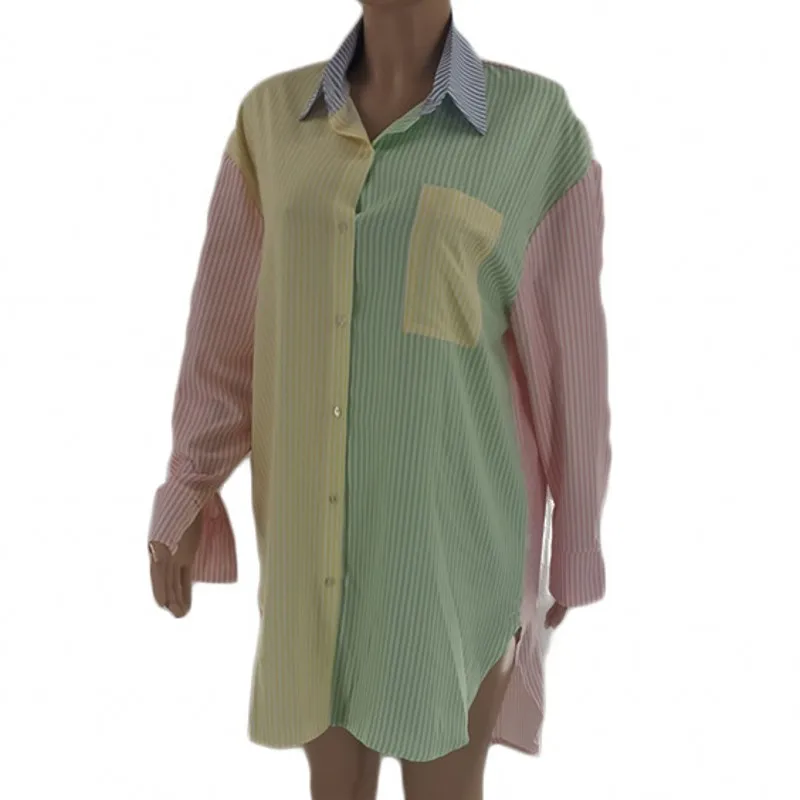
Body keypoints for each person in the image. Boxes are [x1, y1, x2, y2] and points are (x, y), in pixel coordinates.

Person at [146, 0, 611, 797]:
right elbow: (224, 339)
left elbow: (573, 363)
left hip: (451, 558)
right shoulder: (270, 122)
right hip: (308, 553)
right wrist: (187, 490)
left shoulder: (536, 127)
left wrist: (574, 545)